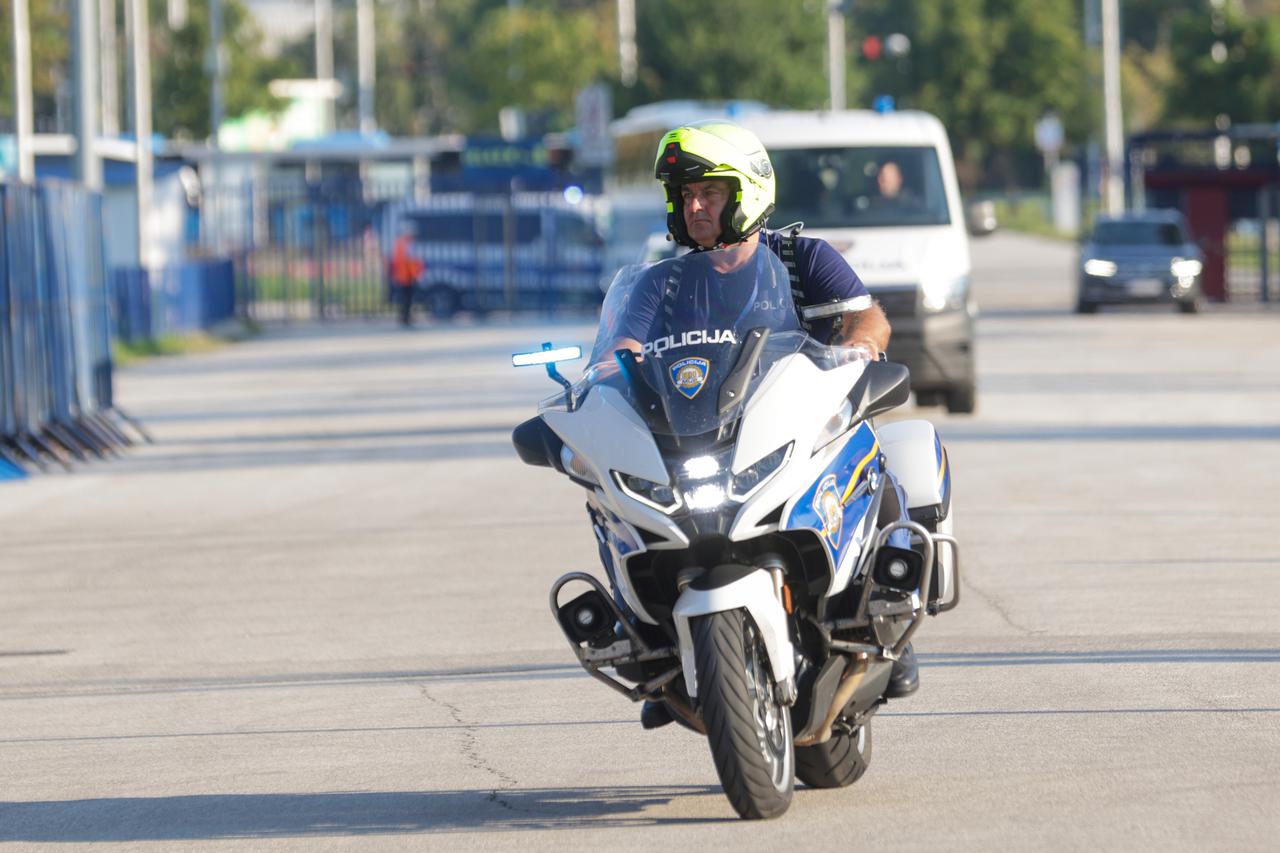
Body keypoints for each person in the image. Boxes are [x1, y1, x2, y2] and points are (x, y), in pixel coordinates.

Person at [614, 121, 917, 728]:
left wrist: (857, 353)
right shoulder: (661, 281)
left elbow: (869, 319)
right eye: (684, 193)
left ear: (746, 192)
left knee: (881, 468)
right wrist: (605, 377)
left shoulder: (802, 257)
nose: (694, 205)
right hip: (700, 435)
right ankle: (658, 645)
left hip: (794, 425)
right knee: (622, 512)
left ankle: (894, 617)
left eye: (710, 192)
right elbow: (622, 347)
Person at [389, 222, 424, 327]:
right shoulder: (408, 244)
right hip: (407, 276)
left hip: (402, 275)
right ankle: (406, 318)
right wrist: (416, 274)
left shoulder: (400, 243)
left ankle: (404, 318)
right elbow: (411, 261)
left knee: (404, 298)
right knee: (407, 298)